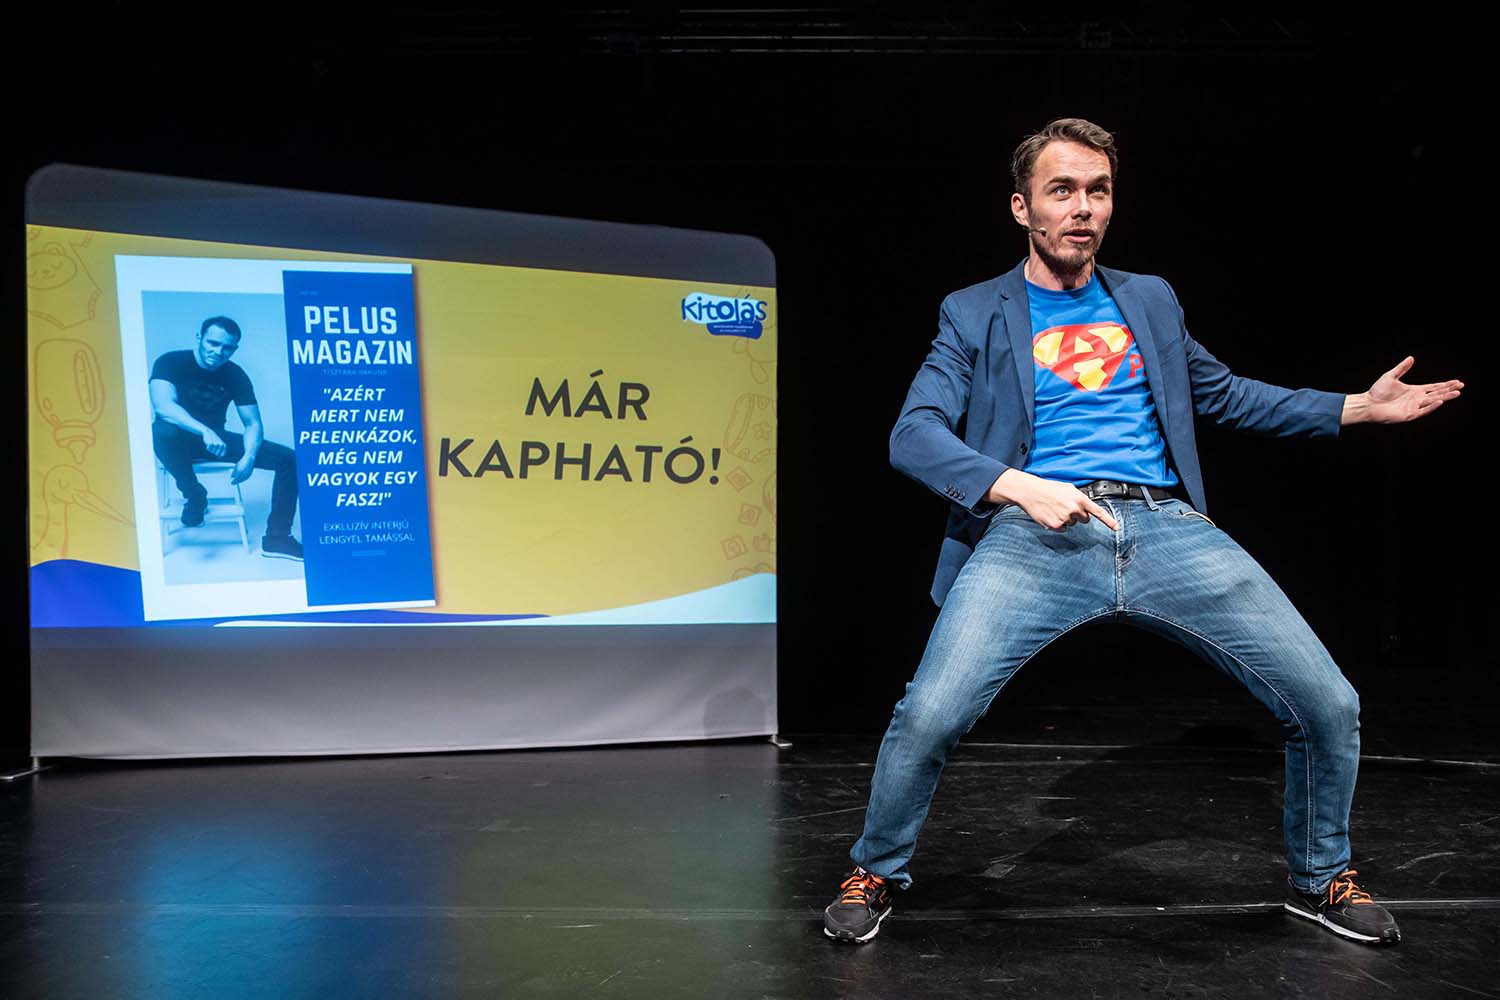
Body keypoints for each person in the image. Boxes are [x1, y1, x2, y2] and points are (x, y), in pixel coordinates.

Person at [822, 118, 1462, 947]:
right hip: (1036, 528)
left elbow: (1225, 394)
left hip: (1164, 527)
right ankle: (874, 869)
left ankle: (1320, 878)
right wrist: (1019, 487)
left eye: (1098, 190)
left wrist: (1355, 408)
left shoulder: (1149, 298)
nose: (1082, 207)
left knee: (1328, 701)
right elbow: (913, 434)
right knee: (932, 711)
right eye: (1062, 190)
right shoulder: (974, 311)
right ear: (1021, 207)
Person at [150, 315, 303, 560]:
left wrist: (249, 457)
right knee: (161, 430)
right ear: (199, 338)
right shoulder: (170, 362)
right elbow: (164, 407)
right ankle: (194, 494)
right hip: (177, 441)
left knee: (289, 459)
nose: (218, 352)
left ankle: (277, 537)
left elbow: (252, 423)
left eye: (227, 348)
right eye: (212, 343)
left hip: (216, 444)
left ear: (234, 348)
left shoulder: (235, 374)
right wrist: (204, 430)